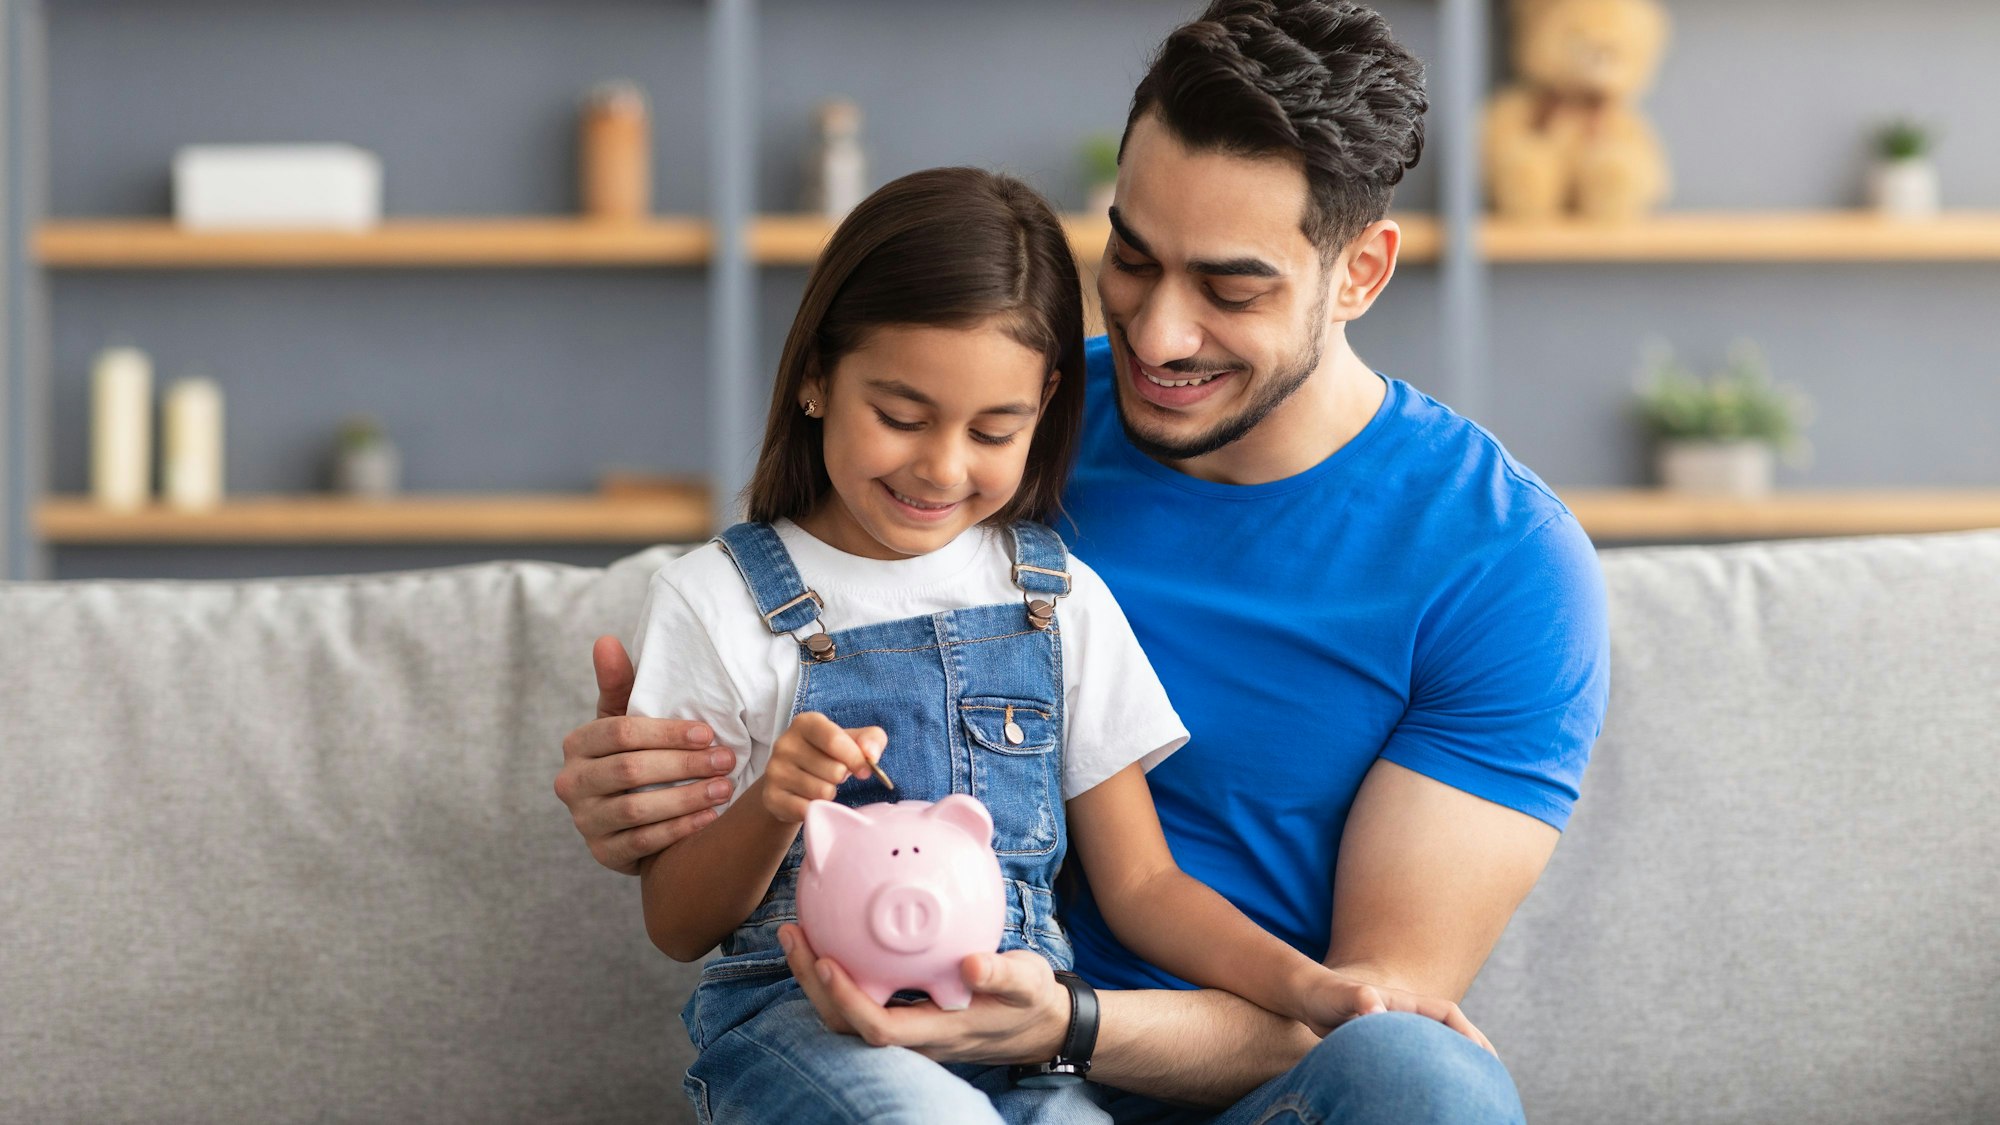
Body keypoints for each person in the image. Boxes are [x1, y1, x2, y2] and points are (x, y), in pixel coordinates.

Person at [556, 2, 1609, 1121]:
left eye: (1230, 287)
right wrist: (658, 797)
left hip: (1199, 1081)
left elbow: (1358, 1014)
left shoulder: (1500, 567)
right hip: (874, 1049)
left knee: (1422, 1076)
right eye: (1134, 256)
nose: (1155, 339)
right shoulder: (1001, 419)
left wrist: (1070, 1027)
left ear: (1358, 274)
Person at [628, 165, 1487, 1125]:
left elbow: (1144, 883)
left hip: (1022, 1044)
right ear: (818, 377)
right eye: (901, 417)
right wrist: (773, 806)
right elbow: (676, 921)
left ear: (1045, 409)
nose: (941, 466)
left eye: (996, 430)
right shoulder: (716, 600)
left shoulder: (1056, 597)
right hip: (801, 1029)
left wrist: (1307, 987)